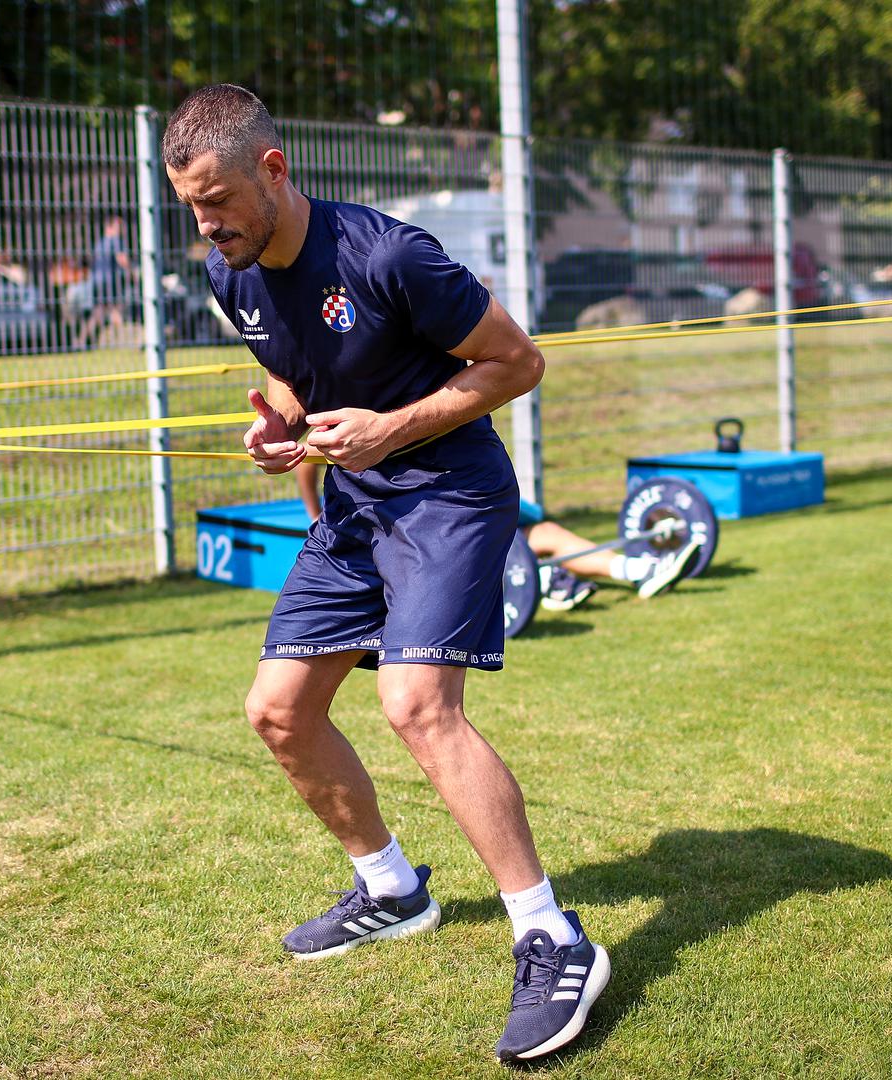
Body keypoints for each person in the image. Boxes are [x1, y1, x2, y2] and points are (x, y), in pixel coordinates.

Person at [163, 84, 608, 1063]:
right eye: (189, 207)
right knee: (276, 710)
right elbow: (289, 373)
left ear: (272, 170)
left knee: (415, 705)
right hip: (353, 506)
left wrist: (388, 429)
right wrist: (279, 426)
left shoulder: (387, 254)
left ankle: (552, 937)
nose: (206, 225)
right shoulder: (226, 272)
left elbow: (514, 363)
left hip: (447, 492)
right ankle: (391, 890)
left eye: (218, 200)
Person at [296, 463, 702, 609]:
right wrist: (316, 516)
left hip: (463, 489)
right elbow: (307, 456)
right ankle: (571, 578)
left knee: (541, 531)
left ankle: (570, 578)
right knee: (539, 535)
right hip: (414, 514)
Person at [76, 215, 134, 348]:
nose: (123, 230)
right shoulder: (116, 241)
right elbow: (122, 259)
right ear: (110, 227)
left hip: (96, 281)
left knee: (99, 311)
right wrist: (132, 274)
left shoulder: (100, 243)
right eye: (120, 227)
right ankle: (126, 340)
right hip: (110, 282)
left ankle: (81, 340)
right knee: (117, 308)